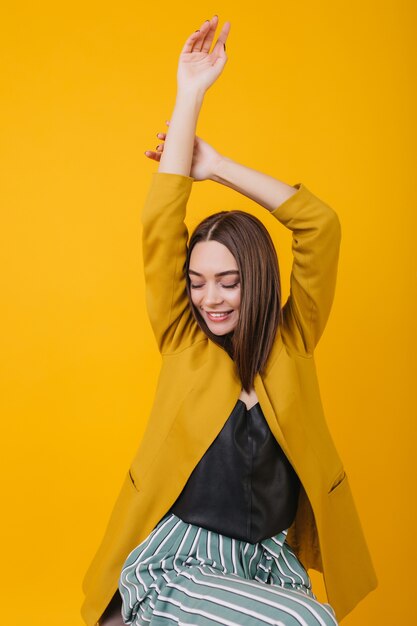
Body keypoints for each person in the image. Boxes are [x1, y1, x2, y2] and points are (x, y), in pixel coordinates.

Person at [81, 15, 378, 626]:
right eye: (197, 283)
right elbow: (161, 226)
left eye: (228, 281)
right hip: (182, 558)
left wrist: (217, 167)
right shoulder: (182, 340)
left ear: (258, 279)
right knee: (308, 623)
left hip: (264, 562)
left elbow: (320, 226)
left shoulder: (294, 342)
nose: (210, 298)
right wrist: (190, 93)